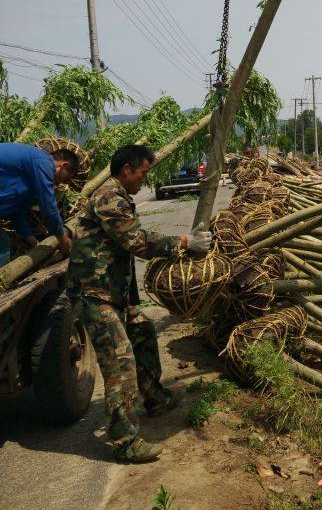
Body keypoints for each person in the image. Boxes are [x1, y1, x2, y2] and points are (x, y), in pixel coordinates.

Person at [68, 144, 207, 464]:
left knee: (143, 330)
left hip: (113, 293)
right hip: (95, 295)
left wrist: (131, 302)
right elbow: (136, 241)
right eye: (143, 172)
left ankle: (155, 397)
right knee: (121, 362)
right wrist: (185, 242)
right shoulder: (109, 198)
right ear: (127, 169)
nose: (145, 178)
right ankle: (125, 442)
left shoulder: (120, 197)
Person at [0, 142, 78, 267]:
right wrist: (63, 240)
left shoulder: (30, 178)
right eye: (65, 179)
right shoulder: (43, 161)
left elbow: (16, 212)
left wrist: (32, 240)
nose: (60, 184)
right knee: (2, 244)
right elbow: (48, 206)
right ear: (63, 165)